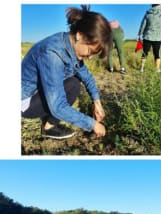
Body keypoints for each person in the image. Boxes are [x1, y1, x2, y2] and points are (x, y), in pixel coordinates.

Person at [22, 5, 112, 140]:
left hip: (38, 92)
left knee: (75, 81)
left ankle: (47, 119)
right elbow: (58, 106)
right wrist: (92, 124)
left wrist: (96, 101)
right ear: (80, 35)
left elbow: (87, 76)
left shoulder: (69, 45)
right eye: (90, 51)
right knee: (72, 87)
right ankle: (48, 128)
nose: (90, 57)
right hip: (25, 102)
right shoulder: (52, 54)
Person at [137, 4, 161, 72]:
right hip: (158, 36)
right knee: (157, 54)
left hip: (147, 36)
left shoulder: (148, 13)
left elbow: (143, 24)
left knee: (145, 53)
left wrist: (139, 34)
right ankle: (157, 69)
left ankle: (141, 68)